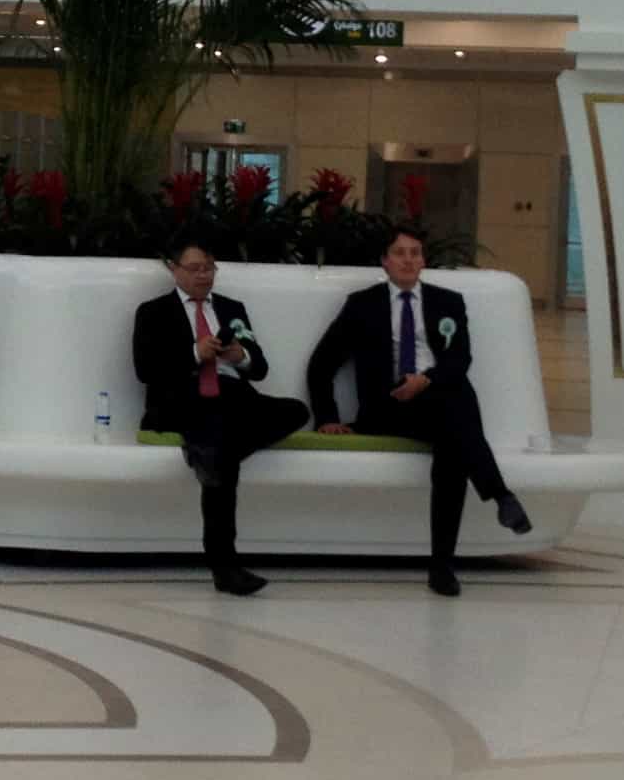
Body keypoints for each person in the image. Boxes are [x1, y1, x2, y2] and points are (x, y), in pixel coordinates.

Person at [308, 227, 534, 596]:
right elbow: (321, 364)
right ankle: (496, 497)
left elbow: (460, 360)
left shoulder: (449, 302)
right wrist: (328, 418)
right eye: (400, 253)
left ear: (424, 261)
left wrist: (426, 380)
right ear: (385, 261)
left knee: (452, 432)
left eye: (415, 253)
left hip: (437, 399)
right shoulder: (362, 304)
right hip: (387, 407)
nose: (409, 260)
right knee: (457, 413)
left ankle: (442, 567)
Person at [131, 234, 306, 596]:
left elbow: (260, 369)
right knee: (221, 438)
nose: (203, 275)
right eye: (194, 268)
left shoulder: (231, 308)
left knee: (295, 411)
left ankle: (209, 454)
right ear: (173, 269)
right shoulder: (153, 312)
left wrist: (239, 356)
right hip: (184, 397)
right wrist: (195, 353)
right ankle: (224, 565)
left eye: (209, 268)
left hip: (233, 397)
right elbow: (146, 369)